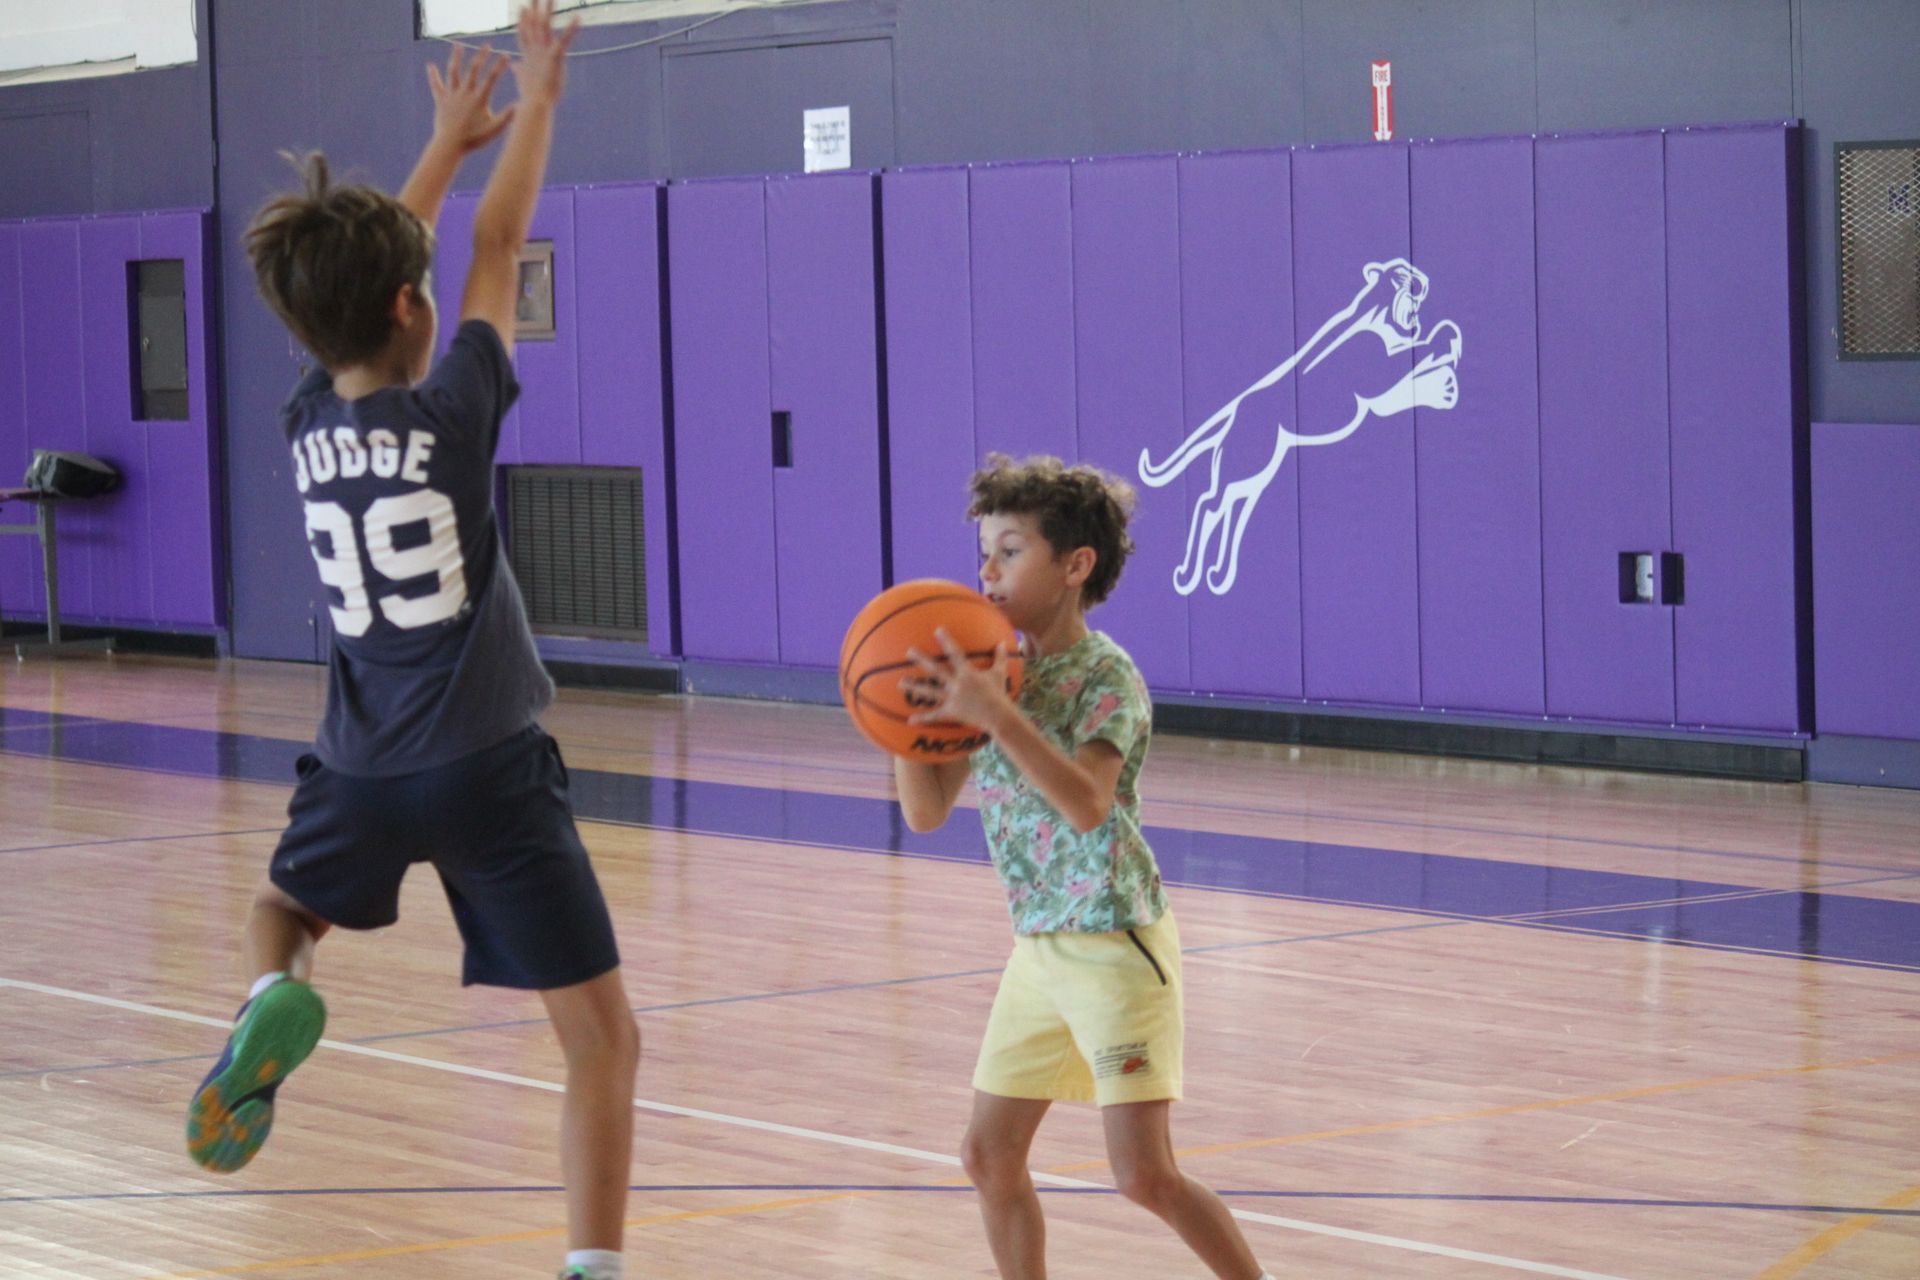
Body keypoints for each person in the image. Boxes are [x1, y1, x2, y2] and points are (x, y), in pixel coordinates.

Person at [189, 8, 638, 1278]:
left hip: (360, 766)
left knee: (281, 910)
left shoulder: (299, 420)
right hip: (490, 763)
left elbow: (394, 270)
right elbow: (500, 238)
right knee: (599, 1037)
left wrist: (438, 148)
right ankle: (593, 1266)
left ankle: (273, 995)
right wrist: (536, 100)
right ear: (412, 307)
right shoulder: (452, 413)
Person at [891, 453, 1275, 1280]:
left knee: (1143, 1175)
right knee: (988, 1156)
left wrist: (996, 714)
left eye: (1011, 551)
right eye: (982, 553)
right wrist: (902, 725)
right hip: (1038, 950)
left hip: (1114, 945)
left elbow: (1087, 804)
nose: (987, 571)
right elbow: (924, 814)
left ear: (1074, 565)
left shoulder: (1107, 676)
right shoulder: (991, 675)